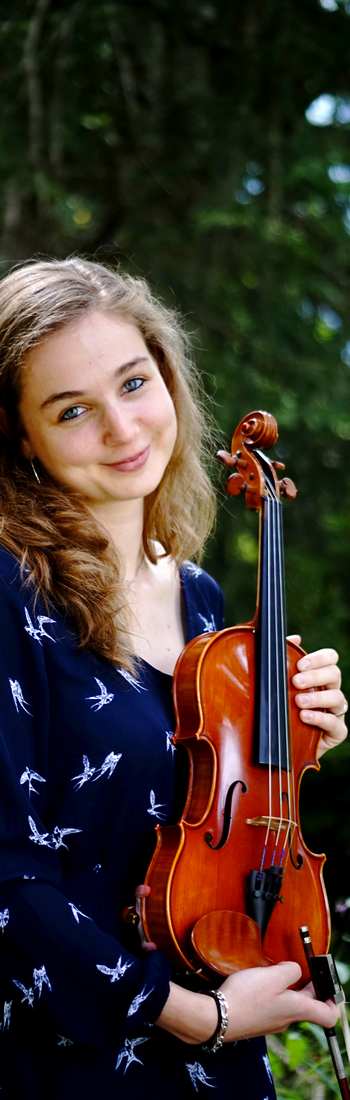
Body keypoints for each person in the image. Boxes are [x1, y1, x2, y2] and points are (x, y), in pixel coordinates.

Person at [0, 257, 347, 1100]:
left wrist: (294, 741)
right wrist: (199, 1015)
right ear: (21, 436)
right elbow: (7, 878)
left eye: (133, 383)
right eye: (72, 409)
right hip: (72, 1066)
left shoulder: (198, 597)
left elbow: (186, 819)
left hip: (221, 1055)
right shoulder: (11, 593)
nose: (122, 429)